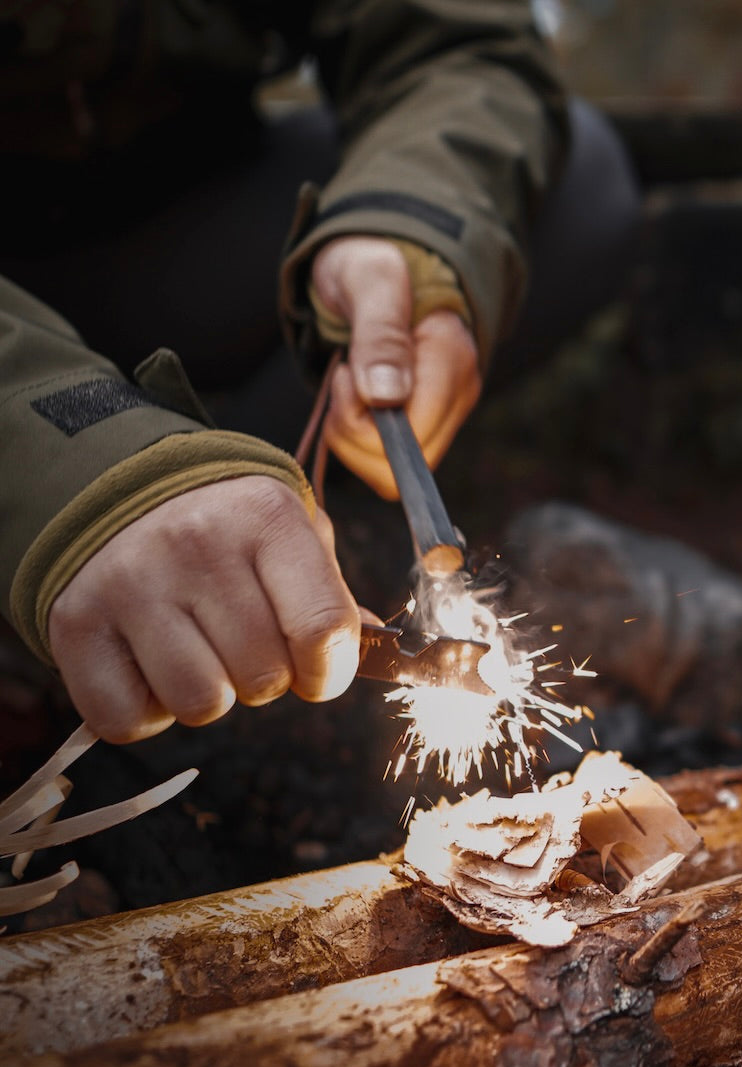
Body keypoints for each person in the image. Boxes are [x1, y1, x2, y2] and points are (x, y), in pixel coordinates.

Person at [0, 1, 640, 746]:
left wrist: (408, 227)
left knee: (578, 183)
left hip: (181, 217)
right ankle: (122, 554)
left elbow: (452, 38)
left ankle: (228, 550)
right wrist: (74, 468)